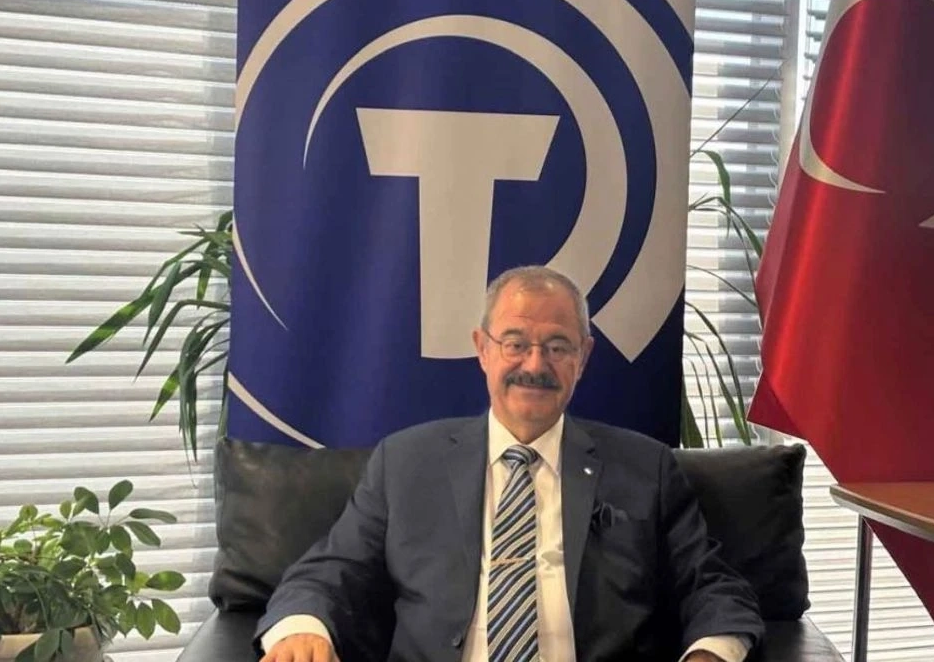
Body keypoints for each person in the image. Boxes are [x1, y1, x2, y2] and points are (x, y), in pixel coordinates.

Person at [257, 265, 764, 662]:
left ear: (583, 358)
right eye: (516, 343)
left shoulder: (644, 468)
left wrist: (709, 655)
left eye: (558, 346)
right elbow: (331, 570)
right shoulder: (406, 463)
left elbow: (712, 585)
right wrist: (304, 629)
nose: (535, 365)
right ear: (483, 349)